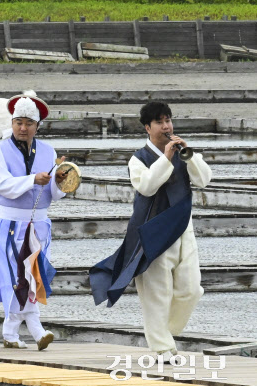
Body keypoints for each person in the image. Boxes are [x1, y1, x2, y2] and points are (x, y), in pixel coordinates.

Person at [90, 102, 212, 361]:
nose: (166, 126)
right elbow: (147, 187)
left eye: (168, 120)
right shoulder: (138, 158)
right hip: (153, 232)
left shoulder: (182, 152)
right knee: (157, 293)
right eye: (159, 122)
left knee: (191, 289)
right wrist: (166, 158)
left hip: (182, 228)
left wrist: (187, 154)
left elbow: (203, 180)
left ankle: (165, 333)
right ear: (148, 127)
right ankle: (161, 348)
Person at [0, 95, 66, 351]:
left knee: (33, 276)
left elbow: (56, 193)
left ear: (38, 125)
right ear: (11, 123)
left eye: (28, 123)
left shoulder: (48, 151)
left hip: (39, 223)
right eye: (18, 122)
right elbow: (1, 185)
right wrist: (32, 180)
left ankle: (10, 331)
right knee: (15, 276)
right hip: (11, 222)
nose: (23, 128)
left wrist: (62, 179)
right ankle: (36, 329)